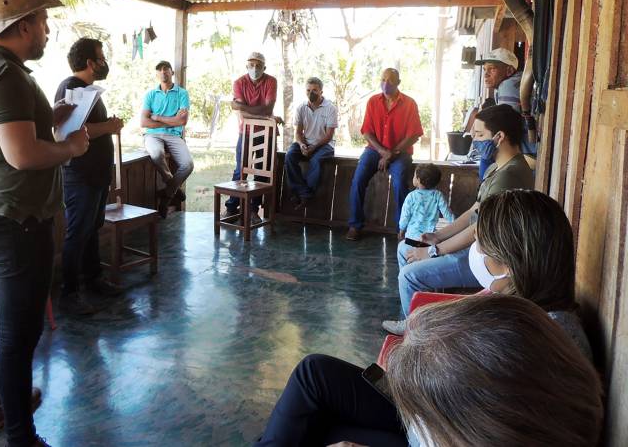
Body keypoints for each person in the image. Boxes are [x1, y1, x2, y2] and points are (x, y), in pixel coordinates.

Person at [0, 0, 89, 447]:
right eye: (44, 20)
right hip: (16, 222)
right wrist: (71, 146)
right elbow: (21, 155)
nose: (48, 30)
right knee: (17, 336)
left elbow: (11, 135)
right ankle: (21, 436)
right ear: (24, 25)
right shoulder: (6, 74)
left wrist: (47, 120)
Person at [255, 295, 603, 447]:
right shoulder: (553, 382)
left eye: (423, 411)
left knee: (318, 428)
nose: (415, 416)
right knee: (317, 399)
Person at [382, 104, 533, 334]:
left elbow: (478, 230)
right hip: (475, 247)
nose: (475, 141)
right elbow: (474, 211)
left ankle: (416, 329)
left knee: (408, 276)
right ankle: (416, 313)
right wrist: (438, 236)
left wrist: (435, 250)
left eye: (480, 135)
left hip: (488, 258)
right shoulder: (496, 169)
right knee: (405, 248)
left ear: (499, 137)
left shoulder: (509, 176)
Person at [470, 189, 592, 360]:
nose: (475, 250)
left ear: (510, 264)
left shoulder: (539, 342)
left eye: (480, 244)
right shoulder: (534, 316)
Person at [54, 38, 124, 316]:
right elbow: (72, 131)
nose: (104, 61)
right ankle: (69, 294)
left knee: (91, 228)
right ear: (89, 62)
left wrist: (107, 127)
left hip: (95, 173)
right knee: (77, 232)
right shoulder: (70, 88)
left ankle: (93, 279)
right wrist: (109, 126)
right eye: (101, 57)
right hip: (79, 174)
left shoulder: (87, 89)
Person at [346, 68, 423, 241]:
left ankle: (402, 229)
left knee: (400, 184)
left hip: (400, 153)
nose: (385, 83)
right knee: (358, 180)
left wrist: (392, 154)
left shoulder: (409, 103)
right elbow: (366, 131)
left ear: (398, 83)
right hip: (375, 151)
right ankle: (355, 225)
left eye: (390, 80)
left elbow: (414, 135)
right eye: (383, 79)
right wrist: (382, 152)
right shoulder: (373, 101)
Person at [224, 52, 277, 224]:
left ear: (264, 67)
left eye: (258, 65)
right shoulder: (239, 82)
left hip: (265, 133)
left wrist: (242, 106)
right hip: (245, 132)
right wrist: (255, 111)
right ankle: (232, 207)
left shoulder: (271, 81)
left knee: (261, 172)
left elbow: (268, 109)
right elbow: (245, 115)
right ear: (247, 66)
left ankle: (253, 210)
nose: (255, 69)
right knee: (240, 170)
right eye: (251, 65)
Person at [140, 60, 194, 218]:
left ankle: (167, 194)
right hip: (152, 135)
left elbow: (182, 121)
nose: (163, 72)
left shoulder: (181, 93)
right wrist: (171, 119)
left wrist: (156, 117)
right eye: (159, 70)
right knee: (156, 154)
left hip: (174, 135)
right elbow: (143, 122)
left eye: (166, 69)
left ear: (172, 72)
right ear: (157, 74)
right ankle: (173, 189)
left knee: (188, 165)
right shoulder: (150, 94)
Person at [284, 77, 338, 209]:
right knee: (289, 155)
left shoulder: (330, 108)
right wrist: (302, 145)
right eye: (308, 90)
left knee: (316, 160)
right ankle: (304, 192)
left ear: (321, 92)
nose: (311, 93)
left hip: (325, 145)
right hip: (306, 142)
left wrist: (314, 147)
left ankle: (303, 194)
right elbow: (298, 133)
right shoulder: (301, 108)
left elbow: (328, 135)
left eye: (315, 90)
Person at [397, 164, 454, 248]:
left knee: (408, 257)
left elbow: (405, 216)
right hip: (429, 239)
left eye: (414, 176)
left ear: (418, 180)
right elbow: (448, 214)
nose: (413, 178)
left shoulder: (411, 196)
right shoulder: (437, 195)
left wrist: (401, 230)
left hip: (412, 238)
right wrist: (455, 226)